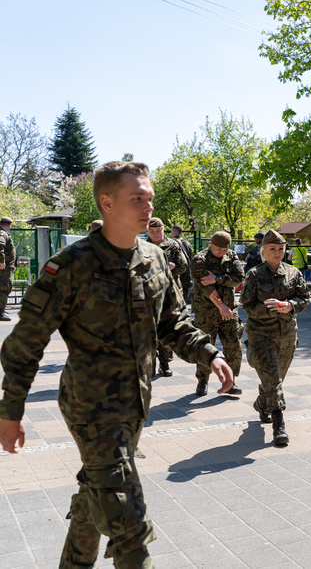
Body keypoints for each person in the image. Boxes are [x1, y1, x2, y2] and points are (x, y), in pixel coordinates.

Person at [0, 161, 234, 568]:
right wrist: (10, 411)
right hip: (90, 409)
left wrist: (208, 353)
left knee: (98, 496)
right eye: (136, 199)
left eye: (150, 198)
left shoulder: (155, 259)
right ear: (107, 203)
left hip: (135, 406)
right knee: (129, 526)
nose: (147, 207)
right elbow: (26, 342)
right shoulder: (72, 265)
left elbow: (173, 323)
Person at [241, 230, 310, 446]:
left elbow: (304, 297)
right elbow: (248, 305)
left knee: (276, 379)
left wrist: (289, 306)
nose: (278, 253)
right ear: (264, 251)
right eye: (273, 249)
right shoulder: (253, 274)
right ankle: (279, 426)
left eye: (281, 249)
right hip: (261, 335)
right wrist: (272, 309)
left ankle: (263, 402)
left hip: (287, 335)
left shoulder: (293, 272)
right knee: (273, 379)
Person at [191, 231, 245, 397]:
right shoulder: (199, 260)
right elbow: (205, 286)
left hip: (229, 310)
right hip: (206, 310)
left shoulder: (231, 256)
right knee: (205, 346)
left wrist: (218, 278)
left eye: (225, 250)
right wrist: (221, 305)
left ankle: (230, 380)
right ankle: (202, 380)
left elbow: (239, 278)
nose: (222, 253)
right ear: (211, 245)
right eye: (218, 250)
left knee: (234, 344)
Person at [144, 217, 188, 377]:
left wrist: (170, 269)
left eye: (158, 230)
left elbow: (183, 265)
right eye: (152, 231)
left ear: (163, 229)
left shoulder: (173, 245)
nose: (155, 234)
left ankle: (165, 362)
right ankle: (151, 362)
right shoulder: (142, 246)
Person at [170, 224, 194, 305]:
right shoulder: (187, 243)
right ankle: (184, 306)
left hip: (177, 270)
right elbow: (190, 257)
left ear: (174, 231)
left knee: (176, 289)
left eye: (171, 231)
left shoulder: (172, 243)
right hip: (187, 270)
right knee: (186, 289)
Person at [0, 216, 17, 321]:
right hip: (4, 269)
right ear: (9, 225)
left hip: (6, 267)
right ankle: (1, 313)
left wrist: (12, 264)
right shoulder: (2, 234)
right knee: (4, 289)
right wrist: (1, 262)